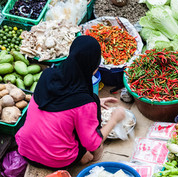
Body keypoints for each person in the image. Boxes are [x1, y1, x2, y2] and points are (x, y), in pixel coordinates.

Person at [15, 35, 126, 169]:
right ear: (94, 66)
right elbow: (92, 143)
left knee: (93, 101)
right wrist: (114, 119)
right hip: (56, 158)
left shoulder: (47, 75)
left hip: (26, 149)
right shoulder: (85, 104)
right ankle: (89, 159)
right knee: (90, 154)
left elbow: (59, 101)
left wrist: (96, 101)